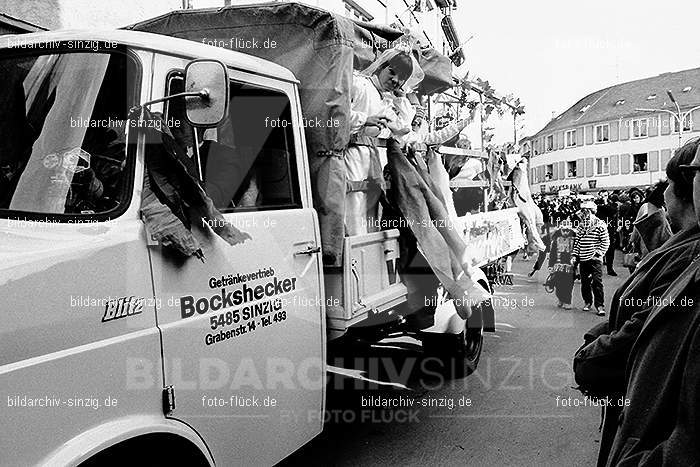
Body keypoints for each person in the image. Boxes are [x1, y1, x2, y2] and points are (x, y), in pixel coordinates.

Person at [573, 138, 700, 466]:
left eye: (670, 182)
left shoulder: (689, 258)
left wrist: (591, 351)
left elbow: (638, 329)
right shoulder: (681, 247)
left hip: (644, 432)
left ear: (680, 190)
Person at [344, 47, 418, 235]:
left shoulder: (384, 100)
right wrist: (364, 119)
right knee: (354, 207)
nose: (394, 80)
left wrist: (401, 98)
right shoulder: (359, 85)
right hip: (353, 154)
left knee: (371, 210)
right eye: (392, 72)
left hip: (373, 161)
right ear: (382, 67)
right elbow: (335, 113)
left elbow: (403, 128)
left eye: (401, 78)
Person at [572, 200, 610, 316]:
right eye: (583, 211)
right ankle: (587, 302)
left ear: (591, 211)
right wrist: (574, 255)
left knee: (597, 282)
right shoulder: (582, 225)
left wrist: (598, 254)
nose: (584, 214)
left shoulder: (600, 225)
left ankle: (600, 305)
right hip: (583, 258)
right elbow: (577, 242)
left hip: (595, 260)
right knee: (585, 282)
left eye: (586, 211)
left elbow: (605, 241)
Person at [547, 219, 576, 308]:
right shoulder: (556, 241)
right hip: (558, 266)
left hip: (570, 267)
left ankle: (567, 301)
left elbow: (577, 253)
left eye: (568, 230)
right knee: (558, 284)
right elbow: (552, 254)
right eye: (564, 230)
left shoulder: (574, 240)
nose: (565, 233)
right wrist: (550, 265)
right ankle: (561, 299)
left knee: (568, 285)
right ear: (560, 230)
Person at [596, 190, 619, 276]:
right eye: (602, 196)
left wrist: (605, 203)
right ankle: (597, 269)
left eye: (605, 195)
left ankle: (610, 268)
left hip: (609, 229)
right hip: (598, 229)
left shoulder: (611, 204)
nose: (604, 197)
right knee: (598, 249)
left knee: (610, 249)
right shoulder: (596, 204)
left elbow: (613, 211)